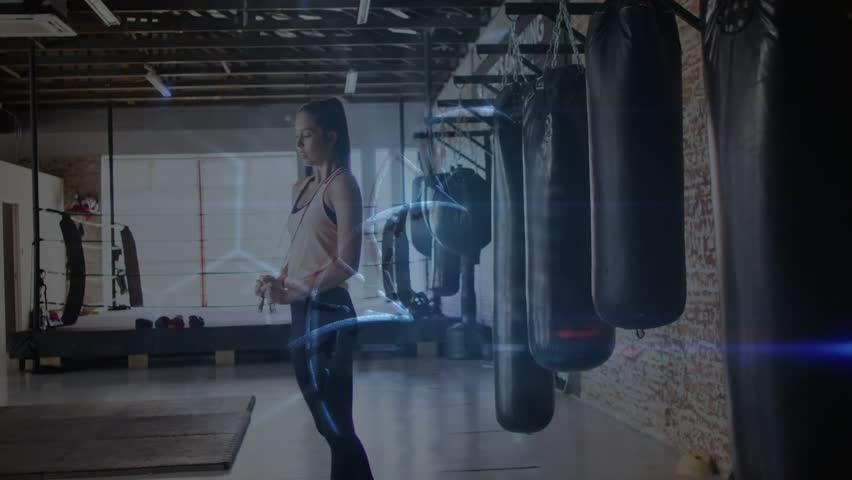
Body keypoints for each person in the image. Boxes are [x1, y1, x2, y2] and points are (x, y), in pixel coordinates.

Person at [255, 97, 373, 480]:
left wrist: (294, 291)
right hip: (301, 313)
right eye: (297, 136)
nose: (299, 144)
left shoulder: (343, 187)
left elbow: (346, 263)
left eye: (307, 135)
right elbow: (299, 251)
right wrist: (279, 280)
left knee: (337, 425)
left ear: (331, 135)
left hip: (330, 313)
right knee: (325, 426)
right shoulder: (301, 187)